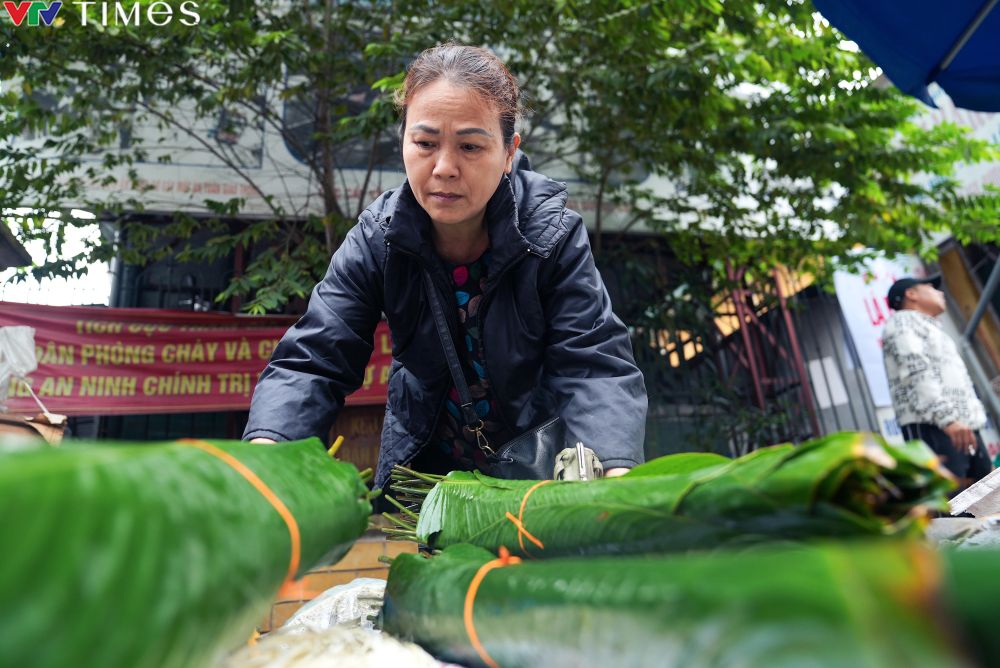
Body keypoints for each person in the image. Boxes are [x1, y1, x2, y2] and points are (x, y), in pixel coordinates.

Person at [243, 44, 647, 490]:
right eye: (425, 143)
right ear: (404, 142)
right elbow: (313, 360)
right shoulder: (379, 237)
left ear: (509, 151)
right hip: (429, 475)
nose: (444, 168)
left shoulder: (551, 235)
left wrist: (614, 471)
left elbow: (591, 365)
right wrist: (268, 456)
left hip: (540, 479)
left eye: (471, 146)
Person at [882, 275, 993, 492]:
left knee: (985, 502)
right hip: (936, 426)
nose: (940, 293)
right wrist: (947, 418)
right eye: (931, 288)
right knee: (952, 506)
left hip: (961, 426)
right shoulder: (902, 321)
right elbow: (916, 371)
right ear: (911, 294)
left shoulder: (929, 326)